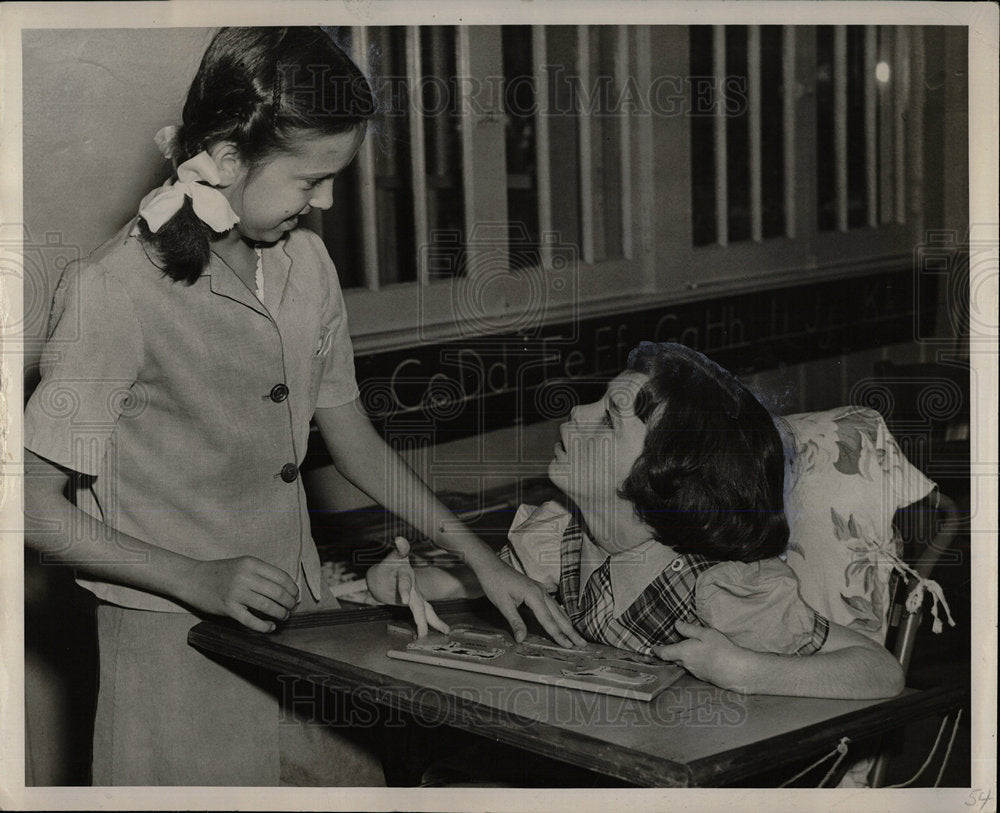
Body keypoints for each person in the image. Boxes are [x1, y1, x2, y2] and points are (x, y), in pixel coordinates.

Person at [22, 26, 582, 787]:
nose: (323, 202)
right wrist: (195, 576)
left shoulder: (306, 265)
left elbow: (353, 438)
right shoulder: (113, 291)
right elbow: (28, 506)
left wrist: (482, 563)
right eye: (308, 179)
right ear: (224, 160)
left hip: (306, 626)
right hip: (171, 650)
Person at [367, 341, 905, 700]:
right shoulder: (561, 535)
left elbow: (881, 671)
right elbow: (481, 584)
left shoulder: (721, 585)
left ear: (666, 471)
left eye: (608, 418)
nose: (576, 414)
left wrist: (744, 668)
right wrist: (403, 581)